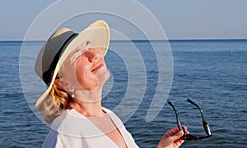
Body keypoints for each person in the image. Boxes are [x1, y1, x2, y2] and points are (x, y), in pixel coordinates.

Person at [34, 20, 189, 148]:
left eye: (89, 46)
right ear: (64, 83)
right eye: (78, 55)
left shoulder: (109, 116)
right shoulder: (66, 134)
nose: (94, 54)